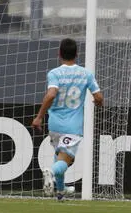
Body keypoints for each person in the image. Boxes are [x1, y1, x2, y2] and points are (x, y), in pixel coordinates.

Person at [31, 38, 104, 201]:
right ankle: (50, 171)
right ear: (77, 54)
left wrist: (39, 117)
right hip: (73, 126)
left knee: (60, 156)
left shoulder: (54, 73)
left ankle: (61, 192)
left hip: (55, 124)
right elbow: (98, 97)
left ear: (59, 54)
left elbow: (51, 94)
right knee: (65, 160)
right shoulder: (86, 74)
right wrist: (98, 102)